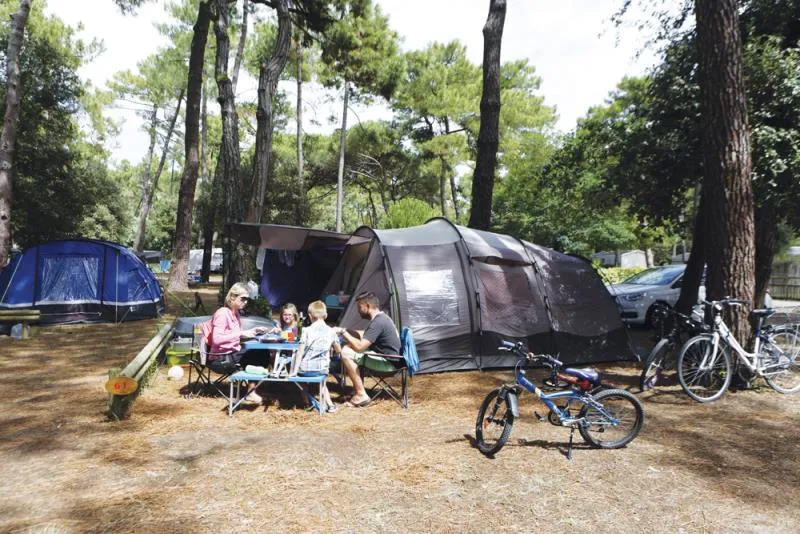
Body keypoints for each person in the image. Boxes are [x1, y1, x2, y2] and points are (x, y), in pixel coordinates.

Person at [333, 292, 401, 408]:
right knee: (349, 347)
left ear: (367, 306)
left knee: (346, 352)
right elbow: (366, 334)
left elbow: (360, 347)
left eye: (359, 307)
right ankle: (356, 390)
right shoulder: (381, 318)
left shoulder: (378, 322)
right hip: (391, 359)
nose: (358, 310)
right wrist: (347, 331)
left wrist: (343, 332)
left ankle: (361, 394)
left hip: (389, 364)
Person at [207, 282, 268, 402]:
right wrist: (241, 334)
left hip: (232, 352)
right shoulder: (222, 313)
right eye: (243, 298)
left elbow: (235, 337)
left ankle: (250, 388)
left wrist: (253, 332)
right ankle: (251, 391)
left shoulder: (235, 314)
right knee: (259, 354)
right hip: (220, 358)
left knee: (262, 351)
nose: (245, 302)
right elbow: (217, 339)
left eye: (247, 299)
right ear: (232, 297)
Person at [289, 300, 341, 413]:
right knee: (323, 383)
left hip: (305, 369)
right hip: (322, 369)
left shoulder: (306, 330)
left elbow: (300, 352)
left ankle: (307, 403)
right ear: (325, 315)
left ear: (310, 315)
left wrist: (295, 370)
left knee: (302, 381)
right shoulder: (331, 331)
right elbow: (338, 350)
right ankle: (331, 405)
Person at [269, 303, 299, 375]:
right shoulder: (283, 325)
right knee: (272, 352)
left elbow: (293, 337)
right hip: (282, 349)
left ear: (294, 316)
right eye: (285, 314)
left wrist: (281, 333)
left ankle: (286, 374)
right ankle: (278, 370)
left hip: (292, 350)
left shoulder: (295, 326)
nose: (287, 317)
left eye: (289, 315)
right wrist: (274, 331)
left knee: (289, 366)